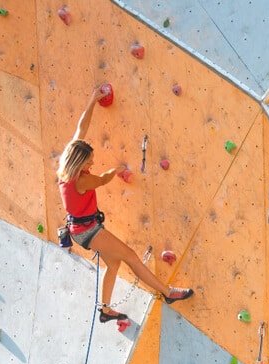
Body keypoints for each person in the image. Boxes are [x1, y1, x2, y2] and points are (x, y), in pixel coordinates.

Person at [57, 85, 193, 322]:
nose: (91, 164)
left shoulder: (67, 163)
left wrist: (92, 100)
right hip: (89, 231)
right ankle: (167, 292)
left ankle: (106, 309)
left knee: (114, 263)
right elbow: (102, 179)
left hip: (79, 229)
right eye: (89, 162)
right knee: (130, 256)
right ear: (80, 164)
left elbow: (81, 127)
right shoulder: (83, 180)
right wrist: (115, 170)